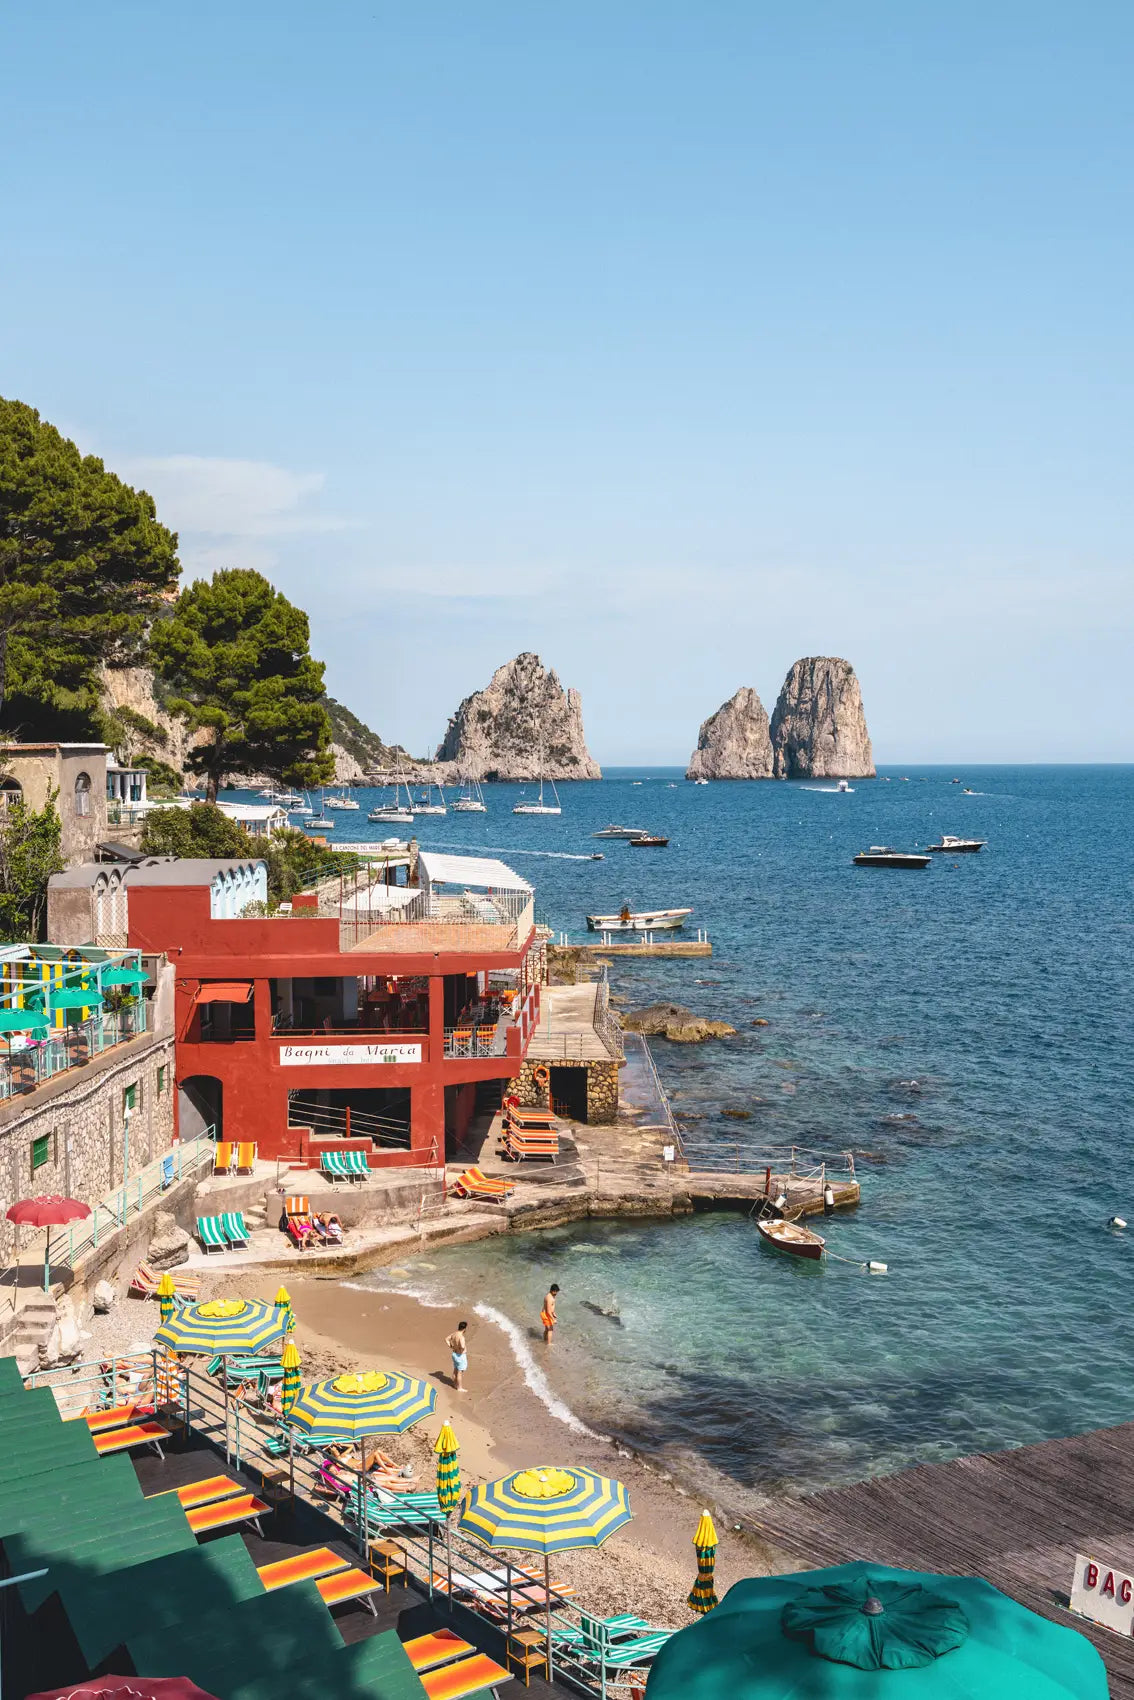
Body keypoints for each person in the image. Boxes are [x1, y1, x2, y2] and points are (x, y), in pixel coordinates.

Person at [447, 1320, 469, 1392]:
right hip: (460, 1355)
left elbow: (446, 1339)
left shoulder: (454, 1334)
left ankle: (455, 1384)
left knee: (455, 1370)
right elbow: (462, 1346)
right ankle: (459, 1388)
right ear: (464, 1328)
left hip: (454, 1354)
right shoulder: (461, 1337)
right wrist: (462, 1349)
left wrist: (451, 1346)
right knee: (459, 1373)